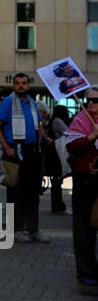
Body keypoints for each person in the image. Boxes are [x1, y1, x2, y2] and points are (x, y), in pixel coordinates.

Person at [0, 72, 44, 243]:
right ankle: (15, 230)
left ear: (28, 85)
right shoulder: (9, 102)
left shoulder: (32, 102)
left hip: (32, 152)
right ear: (14, 85)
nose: (20, 86)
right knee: (16, 193)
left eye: (23, 83)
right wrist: (7, 147)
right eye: (17, 83)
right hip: (15, 151)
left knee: (33, 192)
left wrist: (40, 142)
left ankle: (33, 230)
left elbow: (38, 124)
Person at [64, 90, 98, 289]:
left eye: (96, 100)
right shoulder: (81, 119)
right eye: (89, 100)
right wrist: (90, 137)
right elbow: (71, 147)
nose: (91, 103)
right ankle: (86, 271)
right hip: (85, 179)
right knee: (84, 227)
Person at [46, 104, 71, 214]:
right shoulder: (58, 121)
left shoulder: (53, 121)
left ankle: (57, 205)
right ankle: (58, 206)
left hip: (54, 154)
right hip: (58, 154)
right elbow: (68, 132)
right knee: (57, 181)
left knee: (56, 181)